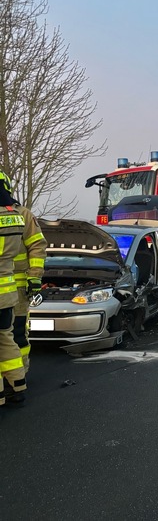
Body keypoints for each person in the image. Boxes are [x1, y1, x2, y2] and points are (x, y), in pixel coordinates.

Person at [0, 172, 28, 407]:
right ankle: (18, 382)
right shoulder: (16, 217)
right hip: (7, 291)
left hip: (9, 290)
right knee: (6, 337)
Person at [12, 196, 47, 375]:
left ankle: (19, 376)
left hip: (18, 289)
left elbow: (37, 246)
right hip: (14, 287)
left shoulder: (22, 214)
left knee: (17, 332)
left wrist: (34, 277)